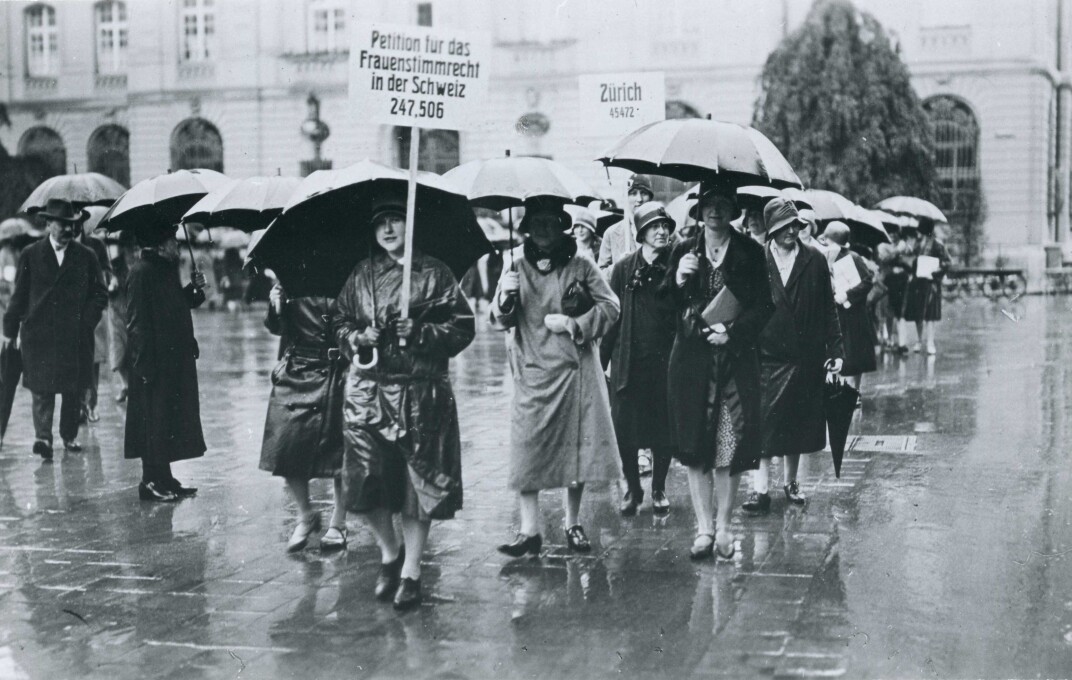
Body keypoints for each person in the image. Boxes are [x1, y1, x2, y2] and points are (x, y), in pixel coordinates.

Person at [333, 197, 474, 611]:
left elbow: (462, 328)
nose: (389, 229)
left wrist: (424, 332)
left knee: (419, 488)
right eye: (381, 224)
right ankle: (389, 551)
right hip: (367, 393)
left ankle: (411, 571)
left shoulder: (436, 273)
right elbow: (340, 321)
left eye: (396, 221)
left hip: (420, 393)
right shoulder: (362, 274)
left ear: (410, 226)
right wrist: (358, 338)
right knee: (362, 485)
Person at [491, 196, 621, 559]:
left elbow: (611, 306)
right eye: (536, 222)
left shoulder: (581, 263)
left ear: (561, 224)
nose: (543, 228)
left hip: (574, 371)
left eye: (551, 221)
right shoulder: (514, 263)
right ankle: (529, 530)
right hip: (531, 372)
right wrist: (505, 297)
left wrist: (576, 324)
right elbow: (499, 317)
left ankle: (573, 522)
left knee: (576, 451)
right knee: (526, 449)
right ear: (527, 225)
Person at [665, 185, 774, 559]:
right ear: (700, 210)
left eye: (723, 204)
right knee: (695, 448)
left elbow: (765, 306)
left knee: (728, 444)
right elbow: (665, 306)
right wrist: (679, 279)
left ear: (734, 210)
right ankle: (703, 529)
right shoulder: (683, 250)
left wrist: (733, 332)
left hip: (734, 364)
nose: (715, 211)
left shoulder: (750, 252)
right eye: (709, 205)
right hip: (692, 365)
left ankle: (725, 527)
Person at [742, 199, 843, 515]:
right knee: (763, 424)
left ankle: (791, 483)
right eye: (784, 227)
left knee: (796, 423)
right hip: (766, 355)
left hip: (804, 355)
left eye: (795, 226)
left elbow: (829, 308)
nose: (791, 231)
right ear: (771, 229)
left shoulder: (813, 259)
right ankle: (760, 490)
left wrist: (836, 350)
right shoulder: (756, 260)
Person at [2, 199, 107, 461]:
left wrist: (87, 321)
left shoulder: (86, 256)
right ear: (48, 224)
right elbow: (19, 295)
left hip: (74, 336)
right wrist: (8, 329)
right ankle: (43, 438)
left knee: (72, 390)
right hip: (39, 335)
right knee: (42, 389)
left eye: (72, 225)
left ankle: (68, 435)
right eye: (63, 224)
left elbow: (100, 294)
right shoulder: (31, 254)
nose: (69, 230)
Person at [601, 201, 677, 516]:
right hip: (628, 362)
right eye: (653, 226)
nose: (661, 231)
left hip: (666, 362)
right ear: (641, 233)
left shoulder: (676, 265)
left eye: (665, 226)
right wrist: (601, 360)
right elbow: (612, 316)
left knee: (663, 432)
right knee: (625, 431)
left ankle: (658, 487)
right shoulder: (623, 268)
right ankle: (633, 490)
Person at [259, 283, 347, 553]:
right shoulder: (292, 276)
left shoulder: (352, 277)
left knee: (341, 451)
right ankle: (305, 514)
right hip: (298, 369)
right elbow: (278, 328)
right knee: (287, 448)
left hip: (340, 371)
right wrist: (277, 308)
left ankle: (338, 522)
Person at [125, 221, 207, 501]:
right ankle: (149, 481)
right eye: (173, 240)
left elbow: (176, 306)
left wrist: (194, 290)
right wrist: (143, 365)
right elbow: (135, 323)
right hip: (153, 363)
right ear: (160, 245)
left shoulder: (165, 270)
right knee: (153, 421)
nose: (177, 244)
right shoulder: (140, 273)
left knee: (166, 421)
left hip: (173, 360)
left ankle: (164, 477)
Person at [822, 222, 876, 392]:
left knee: (855, 354)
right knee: (838, 354)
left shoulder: (853, 257)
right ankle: (842, 390)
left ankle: (856, 390)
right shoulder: (822, 257)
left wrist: (847, 295)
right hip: (834, 313)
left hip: (853, 314)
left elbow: (867, 282)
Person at [77, 219, 113, 424]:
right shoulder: (60, 245)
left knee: (94, 360)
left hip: (94, 311)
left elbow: (107, 271)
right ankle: (78, 406)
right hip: (71, 313)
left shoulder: (96, 245)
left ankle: (91, 404)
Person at [901, 217, 951, 355]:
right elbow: (912, 261)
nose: (917, 233)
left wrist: (936, 272)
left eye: (920, 230)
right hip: (918, 282)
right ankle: (919, 340)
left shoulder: (937, 245)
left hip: (931, 283)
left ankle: (930, 341)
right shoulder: (917, 245)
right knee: (918, 314)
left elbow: (947, 262)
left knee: (930, 315)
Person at [598, 174, 655, 272]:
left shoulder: (663, 229)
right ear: (626, 198)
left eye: (644, 193)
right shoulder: (611, 233)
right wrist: (619, 265)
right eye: (633, 193)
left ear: (650, 198)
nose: (639, 199)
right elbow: (600, 277)